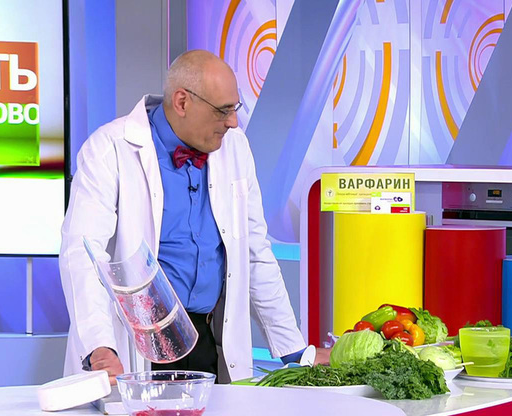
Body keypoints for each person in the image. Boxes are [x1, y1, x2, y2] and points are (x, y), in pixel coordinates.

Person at [59, 50, 328, 383]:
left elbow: (255, 252)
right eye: (223, 111)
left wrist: (294, 351)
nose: (233, 122)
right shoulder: (109, 148)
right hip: (133, 343)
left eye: (235, 108)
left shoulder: (235, 147)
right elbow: (82, 256)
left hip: (204, 339)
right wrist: (100, 346)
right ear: (182, 102)